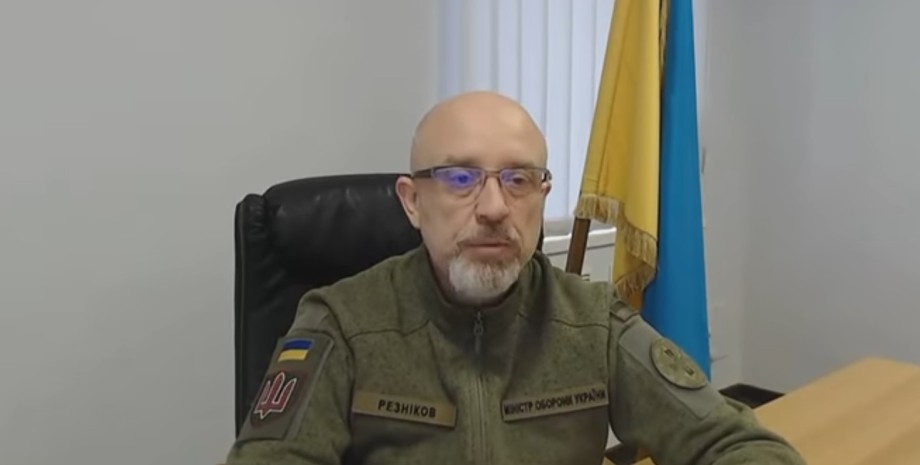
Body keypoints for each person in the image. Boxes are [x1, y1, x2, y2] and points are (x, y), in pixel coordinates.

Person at [225, 91, 806, 465]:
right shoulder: (343, 323)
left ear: (542, 195)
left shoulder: (592, 322)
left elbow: (737, 444)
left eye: (519, 180)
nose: (495, 207)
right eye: (460, 179)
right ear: (412, 201)